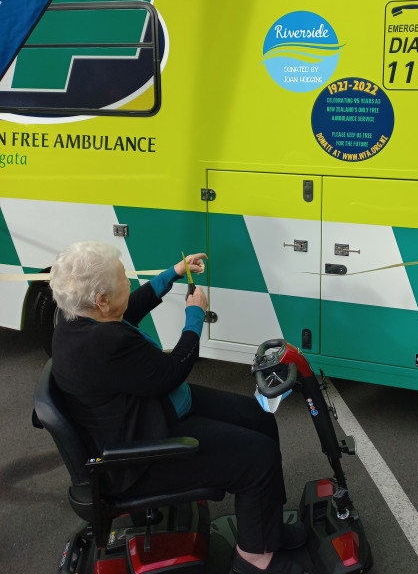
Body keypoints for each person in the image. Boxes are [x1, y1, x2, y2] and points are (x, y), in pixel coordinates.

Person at [50, 241, 305, 574]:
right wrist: (195, 315)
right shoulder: (106, 343)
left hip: (150, 411)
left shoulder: (78, 319)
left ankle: (265, 529)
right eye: (123, 279)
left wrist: (173, 274)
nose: (129, 282)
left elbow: (130, 306)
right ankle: (254, 559)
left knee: (259, 418)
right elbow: (172, 372)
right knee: (258, 457)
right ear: (102, 301)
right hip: (140, 454)